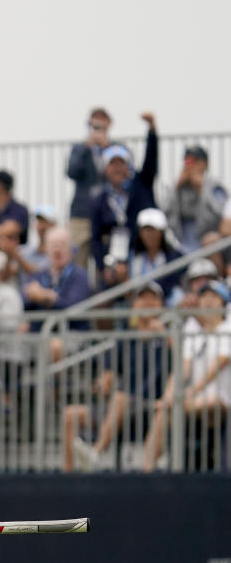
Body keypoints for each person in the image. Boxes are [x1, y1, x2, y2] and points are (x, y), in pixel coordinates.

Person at [63, 282, 170, 472]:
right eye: (143, 298)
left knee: (120, 398)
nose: (148, 303)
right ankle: (68, 473)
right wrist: (102, 384)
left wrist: (165, 334)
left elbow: (183, 364)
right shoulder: (125, 337)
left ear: (161, 304)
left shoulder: (171, 334)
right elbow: (108, 374)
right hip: (121, 408)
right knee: (70, 414)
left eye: (153, 298)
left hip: (152, 406)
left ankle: (95, 454)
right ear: (134, 305)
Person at [144, 280, 231, 472]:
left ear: (223, 302)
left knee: (209, 402)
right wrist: (168, 397)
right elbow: (181, 370)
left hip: (222, 399)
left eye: (214, 297)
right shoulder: (195, 334)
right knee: (163, 413)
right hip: (194, 400)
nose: (208, 301)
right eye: (204, 296)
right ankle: (147, 471)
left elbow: (218, 365)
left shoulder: (227, 329)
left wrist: (187, 394)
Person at [89, 113, 158, 284]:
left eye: (122, 163)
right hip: (112, 261)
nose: (118, 168)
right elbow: (95, 239)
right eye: (113, 164)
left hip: (141, 255)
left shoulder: (141, 185)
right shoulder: (100, 200)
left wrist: (152, 131)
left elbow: (151, 161)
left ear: (129, 166)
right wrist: (103, 266)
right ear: (106, 169)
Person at [23, 227, 92, 361]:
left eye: (62, 244)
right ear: (46, 249)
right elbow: (25, 299)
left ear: (71, 249)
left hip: (72, 333)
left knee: (55, 346)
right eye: (53, 245)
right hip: (40, 333)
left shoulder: (79, 275)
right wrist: (37, 297)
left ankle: (56, 382)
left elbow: (74, 307)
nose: (57, 249)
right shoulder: (39, 274)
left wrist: (48, 297)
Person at [67, 108, 114, 267]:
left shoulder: (116, 148)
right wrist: (87, 146)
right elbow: (71, 171)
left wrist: (106, 147)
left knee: (107, 260)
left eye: (102, 122)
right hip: (81, 214)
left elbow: (126, 173)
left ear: (109, 124)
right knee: (77, 259)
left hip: (108, 215)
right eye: (95, 123)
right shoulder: (80, 148)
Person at [163, 145, 228, 251]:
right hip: (180, 241)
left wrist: (202, 189)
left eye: (195, 161)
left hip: (207, 243)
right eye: (187, 161)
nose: (190, 166)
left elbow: (222, 215)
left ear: (205, 164)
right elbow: (164, 213)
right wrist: (176, 188)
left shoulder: (215, 187)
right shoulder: (177, 186)